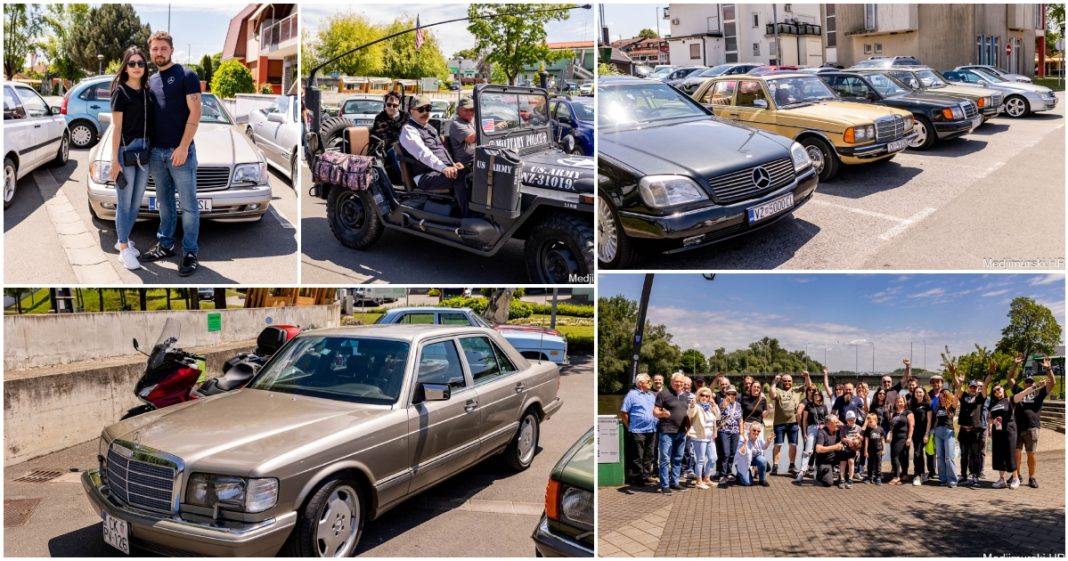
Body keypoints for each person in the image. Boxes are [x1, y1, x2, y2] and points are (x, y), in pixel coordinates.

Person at [141, 31, 202, 276]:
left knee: (188, 206)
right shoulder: (151, 80)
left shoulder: (187, 75)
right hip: (157, 153)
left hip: (180, 152)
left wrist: (183, 146)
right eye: (154, 49)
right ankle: (165, 245)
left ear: (171, 50)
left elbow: (195, 113)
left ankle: (189, 252)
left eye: (163, 48)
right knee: (164, 204)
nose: (158, 52)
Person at [108, 46, 153, 271]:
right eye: (132, 63)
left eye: (140, 63)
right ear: (125, 67)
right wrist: (114, 160)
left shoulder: (147, 93)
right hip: (126, 152)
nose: (137, 67)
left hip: (144, 151)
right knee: (124, 203)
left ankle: (123, 239)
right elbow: (116, 128)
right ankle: (124, 248)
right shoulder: (121, 92)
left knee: (136, 203)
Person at [398, 95, 470, 216]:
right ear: (411, 111)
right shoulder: (409, 130)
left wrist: (452, 164)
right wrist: (444, 168)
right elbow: (423, 153)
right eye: (421, 109)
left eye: (428, 108)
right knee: (461, 176)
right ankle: (468, 216)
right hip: (425, 176)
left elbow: (440, 150)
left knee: (470, 171)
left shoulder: (429, 128)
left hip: (438, 171)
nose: (425, 112)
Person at [988, 367, 1046, 489]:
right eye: (994, 391)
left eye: (999, 389)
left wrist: (1036, 386)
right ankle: (1001, 479)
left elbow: (1023, 393)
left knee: (1011, 453)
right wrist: (990, 425)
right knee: (999, 455)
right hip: (998, 431)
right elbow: (990, 417)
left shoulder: (1010, 399)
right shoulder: (993, 404)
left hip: (1010, 430)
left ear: (1003, 390)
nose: (997, 392)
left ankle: (1016, 478)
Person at [1010, 355, 1056, 489]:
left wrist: (1049, 370)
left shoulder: (1039, 393)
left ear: (1033, 383)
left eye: (1031, 382)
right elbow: (1010, 378)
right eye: (1027, 382)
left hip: (1032, 428)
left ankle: (1032, 477)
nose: (1029, 384)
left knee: (1031, 454)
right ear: (1024, 383)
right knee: (1017, 453)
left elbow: (1052, 383)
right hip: (1018, 427)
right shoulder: (1019, 391)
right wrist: (1015, 365)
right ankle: (1017, 476)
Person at [952, 360, 992, 486]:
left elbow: (985, 386)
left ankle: (975, 476)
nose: (973, 389)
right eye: (971, 386)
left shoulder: (980, 398)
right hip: (964, 430)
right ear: (968, 387)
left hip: (975, 431)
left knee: (975, 454)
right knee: (964, 455)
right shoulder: (963, 396)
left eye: (975, 387)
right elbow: (958, 386)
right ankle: (963, 475)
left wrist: (990, 373)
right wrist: (954, 374)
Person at [653, 373, 691, 495]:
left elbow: (687, 413)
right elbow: (655, 411)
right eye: (676, 381)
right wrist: (662, 414)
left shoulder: (686, 396)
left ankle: (674, 482)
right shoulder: (663, 394)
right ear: (671, 381)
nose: (679, 384)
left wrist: (688, 428)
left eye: (681, 382)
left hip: (681, 432)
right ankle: (665, 485)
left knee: (678, 458)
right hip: (667, 432)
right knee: (665, 459)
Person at [768, 371, 811, 476]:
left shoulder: (796, 390)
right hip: (779, 422)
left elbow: (809, 387)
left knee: (793, 444)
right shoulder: (778, 390)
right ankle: (775, 466)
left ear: (792, 382)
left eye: (789, 381)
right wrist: (774, 382)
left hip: (793, 422)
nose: (787, 382)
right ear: (782, 382)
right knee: (778, 444)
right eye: (785, 381)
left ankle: (791, 465)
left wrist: (807, 376)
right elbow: (772, 394)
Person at [619, 373, 657, 486]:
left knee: (649, 455)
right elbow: (623, 412)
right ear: (640, 383)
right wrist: (629, 426)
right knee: (638, 456)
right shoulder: (631, 395)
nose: (651, 383)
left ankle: (646, 476)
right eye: (648, 381)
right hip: (637, 430)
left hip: (651, 429)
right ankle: (637, 478)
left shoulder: (651, 395)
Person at [687, 387, 720, 489]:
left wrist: (714, 405)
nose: (705, 397)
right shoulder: (696, 406)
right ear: (698, 396)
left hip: (710, 436)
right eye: (702, 395)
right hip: (699, 436)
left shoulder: (710, 407)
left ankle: (707, 478)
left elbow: (718, 417)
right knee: (700, 460)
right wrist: (692, 405)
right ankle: (699, 481)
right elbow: (690, 414)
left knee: (713, 458)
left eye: (707, 396)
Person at [371, 91, 405, 179]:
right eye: (389, 104)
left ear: (399, 106)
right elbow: (382, 135)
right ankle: (404, 179)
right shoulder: (380, 118)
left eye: (395, 105)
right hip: (387, 148)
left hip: (406, 145)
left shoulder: (405, 116)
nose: (391, 107)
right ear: (385, 105)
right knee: (394, 149)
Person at [796, 388, 828, 482]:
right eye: (815, 394)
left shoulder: (824, 406)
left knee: (819, 450)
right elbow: (804, 420)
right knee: (808, 450)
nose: (816, 396)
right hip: (812, 428)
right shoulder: (809, 406)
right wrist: (805, 432)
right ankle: (802, 471)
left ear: (821, 396)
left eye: (818, 394)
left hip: (822, 429)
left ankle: (816, 470)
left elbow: (826, 419)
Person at [932, 388, 959, 487]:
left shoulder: (952, 406)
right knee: (939, 457)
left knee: (949, 457)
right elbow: (936, 420)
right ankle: (943, 479)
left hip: (948, 431)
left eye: (942, 395)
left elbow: (956, 396)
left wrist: (959, 385)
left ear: (946, 395)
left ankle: (952, 480)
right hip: (938, 432)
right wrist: (932, 431)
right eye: (940, 395)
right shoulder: (938, 407)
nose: (941, 396)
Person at [716, 385, 742, 484]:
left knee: (732, 454)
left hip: (735, 432)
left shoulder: (738, 405)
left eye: (733, 394)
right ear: (726, 394)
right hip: (724, 431)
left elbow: (740, 419)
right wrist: (723, 406)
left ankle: (729, 472)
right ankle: (722, 474)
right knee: (725, 453)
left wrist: (742, 432)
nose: (731, 396)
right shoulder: (721, 402)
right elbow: (717, 416)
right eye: (729, 393)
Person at [886, 395, 914, 485]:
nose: (899, 403)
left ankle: (896, 476)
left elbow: (911, 426)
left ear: (904, 402)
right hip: (895, 437)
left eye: (901, 401)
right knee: (903, 456)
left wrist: (909, 438)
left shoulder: (908, 412)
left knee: (895, 456)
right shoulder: (894, 413)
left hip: (903, 437)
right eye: (897, 402)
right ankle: (904, 475)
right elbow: (891, 426)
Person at [908, 386, 933, 486]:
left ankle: (918, 474)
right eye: (916, 392)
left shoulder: (927, 404)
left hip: (924, 433)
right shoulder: (912, 405)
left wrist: (926, 434)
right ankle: (920, 474)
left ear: (924, 393)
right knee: (918, 453)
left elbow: (929, 421)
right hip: (915, 433)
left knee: (918, 453)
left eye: (920, 392)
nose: (918, 394)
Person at [734, 422, 770, 487]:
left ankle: (762, 480)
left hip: (753, 458)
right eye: (754, 430)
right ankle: (739, 474)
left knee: (763, 460)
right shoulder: (743, 438)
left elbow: (764, 447)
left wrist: (768, 441)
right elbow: (741, 453)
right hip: (743, 462)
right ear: (750, 430)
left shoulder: (759, 437)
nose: (756, 432)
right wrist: (745, 442)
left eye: (758, 431)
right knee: (748, 483)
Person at [813, 414, 844, 487]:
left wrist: (837, 420)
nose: (838, 424)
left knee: (851, 454)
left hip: (835, 459)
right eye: (835, 422)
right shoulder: (822, 432)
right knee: (828, 483)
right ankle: (819, 474)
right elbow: (818, 449)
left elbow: (846, 426)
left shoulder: (838, 430)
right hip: (824, 461)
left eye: (837, 422)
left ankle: (841, 477)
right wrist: (835, 447)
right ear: (828, 424)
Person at [447, 96, 477, 167]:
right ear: (458, 110)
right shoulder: (456, 124)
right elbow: (471, 139)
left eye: (472, 109)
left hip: (477, 159)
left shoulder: (472, 122)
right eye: (466, 110)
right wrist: (488, 129)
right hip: (467, 164)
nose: (469, 112)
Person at [837, 410, 863, 488]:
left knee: (851, 462)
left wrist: (859, 437)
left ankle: (850, 479)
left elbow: (862, 439)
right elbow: (841, 438)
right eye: (849, 420)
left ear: (855, 419)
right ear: (846, 420)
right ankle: (842, 479)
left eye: (852, 419)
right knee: (842, 463)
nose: (851, 421)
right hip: (845, 448)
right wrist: (847, 440)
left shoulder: (858, 427)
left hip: (853, 449)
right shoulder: (843, 427)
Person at [861, 412, 886, 485]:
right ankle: (869, 477)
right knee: (870, 464)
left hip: (878, 450)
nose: (870, 424)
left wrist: (884, 449)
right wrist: (865, 451)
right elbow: (866, 441)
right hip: (870, 451)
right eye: (868, 422)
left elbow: (882, 440)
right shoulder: (868, 431)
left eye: (871, 422)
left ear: (876, 421)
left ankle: (878, 477)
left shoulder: (880, 429)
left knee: (878, 464)